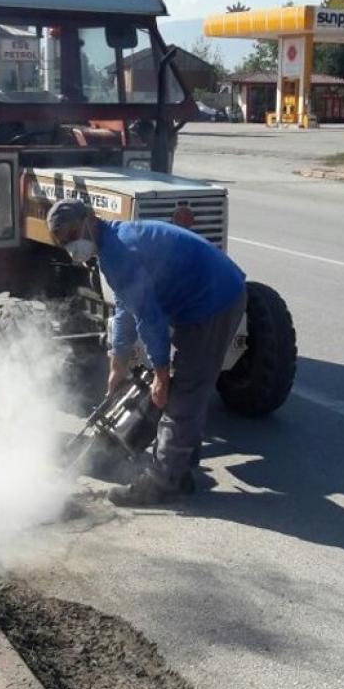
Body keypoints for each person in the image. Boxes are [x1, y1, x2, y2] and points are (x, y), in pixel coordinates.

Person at [47, 199, 247, 506]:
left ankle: (162, 483)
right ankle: (179, 470)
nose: (72, 245)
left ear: (90, 218)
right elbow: (127, 305)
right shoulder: (112, 246)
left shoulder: (119, 251)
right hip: (205, 297)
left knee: (182, 392)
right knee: (185, 388)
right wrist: (118, 361)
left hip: (213, 302)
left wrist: (161, 374)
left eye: (73, 233)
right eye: (64, 242)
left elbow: (149, 318)